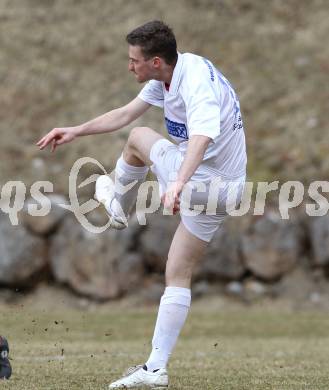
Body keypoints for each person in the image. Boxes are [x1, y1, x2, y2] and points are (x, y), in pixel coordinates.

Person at [37, 20, 247, 389]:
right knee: (177, 273)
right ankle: (155, 369)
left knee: (138, 139)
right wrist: (75, 130)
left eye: (133, 60)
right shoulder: (167, 74)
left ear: (154, 61)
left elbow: (201, 135)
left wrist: (179, 182)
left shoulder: (195, 82)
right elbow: (124, 112)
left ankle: (118, 203)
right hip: (225, 191)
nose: (129, 66)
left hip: (202, 181)